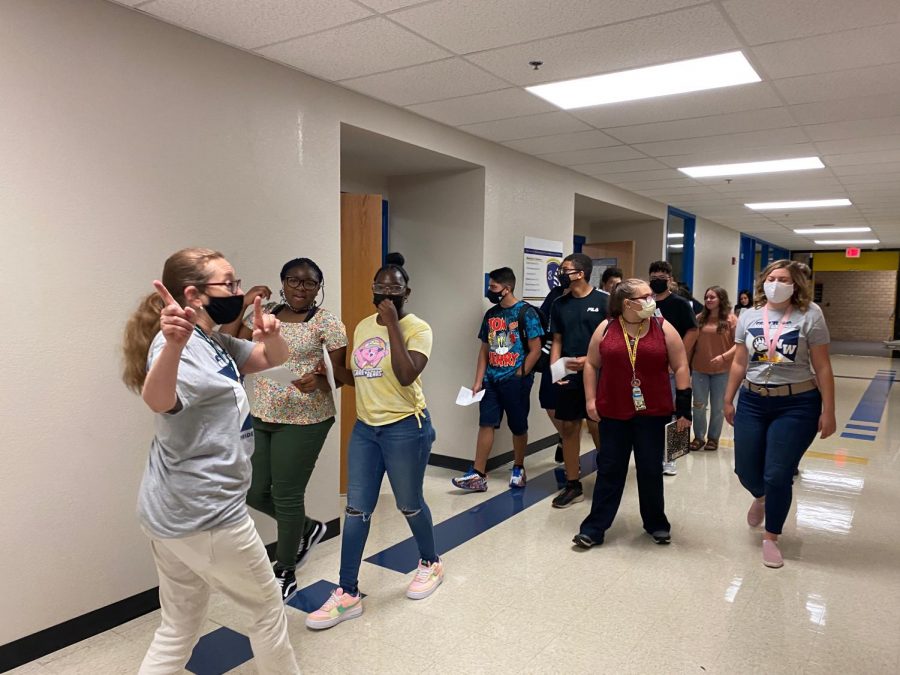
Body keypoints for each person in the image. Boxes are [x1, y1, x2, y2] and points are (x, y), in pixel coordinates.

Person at [122, 248, 299, 674]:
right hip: (207, 513)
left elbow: (271, 358)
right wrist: (172, 349)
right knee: (267, 610)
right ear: (194, 294)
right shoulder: (177, 344)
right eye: (230, 284)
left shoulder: (213, 340)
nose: (238, 292)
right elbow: (159, 400)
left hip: (172, 512)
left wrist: (271, 333)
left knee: (180, 624)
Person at [306, 253, 442, 630]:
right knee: (356, 510)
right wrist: (330, 373)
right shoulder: (364, 325)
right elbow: (360, 375)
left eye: (394, 288)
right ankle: (347, 592)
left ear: (406, 292)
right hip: (366, 429)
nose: (386, 293)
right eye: (379, 288)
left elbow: (404, 375)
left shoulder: (419, 328)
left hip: (405, 428)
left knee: (409, 504)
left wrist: (394, 326)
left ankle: (431, 563)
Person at [220, 258, 348, 603]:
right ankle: (307, 528)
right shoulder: (266, 315)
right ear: (282, 283)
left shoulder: (327, 322)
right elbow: (228, 344)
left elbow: (345, 375)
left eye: (309, 283)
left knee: (287, 495)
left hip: (307, 418)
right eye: (294, 281)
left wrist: (321, 379)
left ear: (320, 287)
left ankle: (285, 570)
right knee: (253, 490)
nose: (301, 289)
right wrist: (244, 303)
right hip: (262, 413)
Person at [724, 260, 836, 569]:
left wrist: (830, 410)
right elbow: (739, 361)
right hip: (753, 400)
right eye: (771, 278)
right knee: (746, 469)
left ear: (796, 284)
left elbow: (823, 365)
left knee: (777, 473)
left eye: (783, 279)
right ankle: (760, 496)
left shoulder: (810, 315)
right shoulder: (749, 316)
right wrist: (728, 399)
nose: (776, 283)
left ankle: (771, 537)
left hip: (797, 404)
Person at [573, 279, 691, 548]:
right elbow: (591, 363)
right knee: (610, 469)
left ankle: (656, 523)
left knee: (650, 469)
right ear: (627, 303)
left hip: (652, 412)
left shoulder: (662, 327)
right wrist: (590, 399)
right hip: (613, 411)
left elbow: (681, 365)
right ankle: (595, 527)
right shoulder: (607, 328)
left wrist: (683, 407)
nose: (652, 300)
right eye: (645, 296)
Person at [452, 267, 544, 491]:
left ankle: (518, 467)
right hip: (491, 381)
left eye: (493, 287)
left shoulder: (526, 313)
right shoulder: (491, 315)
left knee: (518, 426)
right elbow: (484, 350)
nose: (490, 290)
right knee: (486, 423)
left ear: (507, 288)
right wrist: (478, 380)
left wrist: (520, 374)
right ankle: (478, 473)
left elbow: (536, 350)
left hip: (516, 381)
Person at [549, 253, 608, 508]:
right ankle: (573, 484)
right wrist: (555, 370)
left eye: (565, 269)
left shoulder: (604, 302)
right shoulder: (559, 304)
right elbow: (557, 341)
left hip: (599, 374)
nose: (561, 274)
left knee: (597, 425)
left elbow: (612, 340)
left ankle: (608, 475)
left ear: (580, 273)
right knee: (569, 427)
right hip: (569, 373)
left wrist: (590, 360)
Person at [649, 261, 698, 476]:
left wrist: (677, 358)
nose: (657, 281)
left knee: (676, 410)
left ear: (669, 280)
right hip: (650, 367)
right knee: (653, 414)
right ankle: (654, 455)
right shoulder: (645, 303)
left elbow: (693, 331)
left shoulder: (679, 303)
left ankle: (672, 458)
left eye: (662, 277)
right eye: (653, 277)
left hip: (672, 367)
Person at [687, 286, 737, 452]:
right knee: (699, 406)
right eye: (706, 297)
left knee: (718, 407)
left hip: (722, 371)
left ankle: (713, 438)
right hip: (699, 369)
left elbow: (739, 345)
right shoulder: (699, 318)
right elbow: (691, 346)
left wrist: (723, 357)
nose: (708, 300)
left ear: (721, 299)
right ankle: (699, 437)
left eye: (712, 297)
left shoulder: (730, 320)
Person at [539, 283, 568, 462]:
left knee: (575, 404)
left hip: (576, 354)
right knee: (549, 400)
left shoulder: (594, 299)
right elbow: (543, 318)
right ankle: (566, 439)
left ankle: (669, 455)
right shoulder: (556, 294)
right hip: (555, 354)